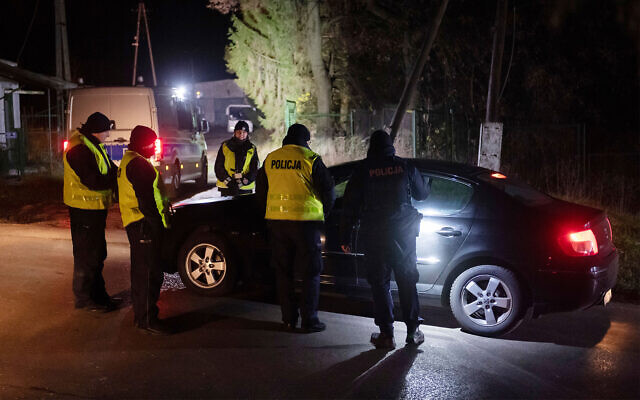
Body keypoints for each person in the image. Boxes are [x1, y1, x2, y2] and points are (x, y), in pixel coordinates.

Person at [340, 130, 430, 349]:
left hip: (375, 233)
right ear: (391, 146)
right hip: (404, 234)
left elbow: (349, 205)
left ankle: (387, 335)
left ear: (371, 146)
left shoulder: (363, 170)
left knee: (380, 283)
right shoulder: (404, 166)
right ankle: (413, 332)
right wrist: (428, 184)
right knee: (407, 279)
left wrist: (345, 235)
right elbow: (421, 194)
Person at [256, 123, 335, 333]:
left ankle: (289, 319)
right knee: (311, 272)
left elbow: (261, 192)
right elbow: (329, 190)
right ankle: (309, 320)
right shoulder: (311, 159)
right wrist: (324, 214)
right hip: (306, 225)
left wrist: (268, 216)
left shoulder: (271, 159)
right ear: (305, 140)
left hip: (277, 225)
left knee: (284, 273)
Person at [117, 125, 172, 335]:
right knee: (150, 273)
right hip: (144, 225)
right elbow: (147, 202)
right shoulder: (138, 165)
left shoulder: (129, 161)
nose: (153, 147)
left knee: (141, 273)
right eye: (151, 143)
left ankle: (142, 317)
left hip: (136, 224)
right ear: (142, 143)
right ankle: (148, 319)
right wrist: (157, 226)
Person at [63, 111, 120, 312]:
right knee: (87, 256)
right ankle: (85, 299)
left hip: (94, 210)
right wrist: (114, 182)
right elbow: (92, 180)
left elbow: (110, 170)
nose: (108, 135)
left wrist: (120, 177)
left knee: (97, 254)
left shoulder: (93, 145)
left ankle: (99, 297)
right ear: (97, 131)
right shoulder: (78, 149)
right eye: (106, 131)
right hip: (84, 210)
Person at [215, 120, 259, 196]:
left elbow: (254, 169)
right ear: (234, 132)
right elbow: (218, 166)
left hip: (245, 188)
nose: (241, 134)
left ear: (247, 133)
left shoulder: (252, 149)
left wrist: (244, 181)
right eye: (239, 131)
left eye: (244, 132)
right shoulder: (225, 146)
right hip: (227, 188)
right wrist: (228, 181)